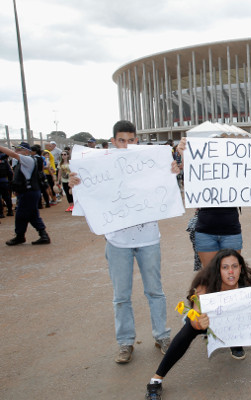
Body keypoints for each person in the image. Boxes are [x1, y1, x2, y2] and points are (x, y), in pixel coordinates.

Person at [69, 120, 174, 363]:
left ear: (136, 140)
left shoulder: (150, 162)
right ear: (113, 141)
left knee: (155, 291)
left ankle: (162, 335)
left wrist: (172, 172)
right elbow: (89, 195)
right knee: (121, 295)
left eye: (131, 140)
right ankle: (125, 342)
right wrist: (76, 184)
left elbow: (166, 184)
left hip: (149, 238)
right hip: (117, 242)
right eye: (121, 140)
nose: (126, 144)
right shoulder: (98, 166)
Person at [144, 249, 251, 400]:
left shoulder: (247, 284)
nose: (230, 272)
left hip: (233, 324)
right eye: (225, 267)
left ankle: (234, 343)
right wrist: (199, 323)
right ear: (218, 270)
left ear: (241, 268)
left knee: (248, 316)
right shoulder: (204, 286)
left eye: (234, 266)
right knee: (187, 330)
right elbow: (195, 316)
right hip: (208, 323)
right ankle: (156, 380)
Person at [176, 137, 242, 268]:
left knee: (232, 278)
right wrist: (184, 153)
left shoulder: (236, 170)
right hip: (205, 232)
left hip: (231, 231)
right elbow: (191, 174)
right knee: (210, 277)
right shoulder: (203, 169)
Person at [0, 142, 50, 245]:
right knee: (32, 215)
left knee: (21, 215)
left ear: (27, 151)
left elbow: (13, 155)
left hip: (29, 192)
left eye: (19, 149)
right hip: (28, 192)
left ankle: (20, 236)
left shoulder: (27, 159)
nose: (16, 151)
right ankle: (43, 235)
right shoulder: (23, 161)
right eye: (16, 149)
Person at [0, 153, 14, 218]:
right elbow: (10, 172)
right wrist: (10, 181)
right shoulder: (4, 161)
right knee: (7, 196)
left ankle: (1, 213)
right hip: (4, 181)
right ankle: (10, 211)